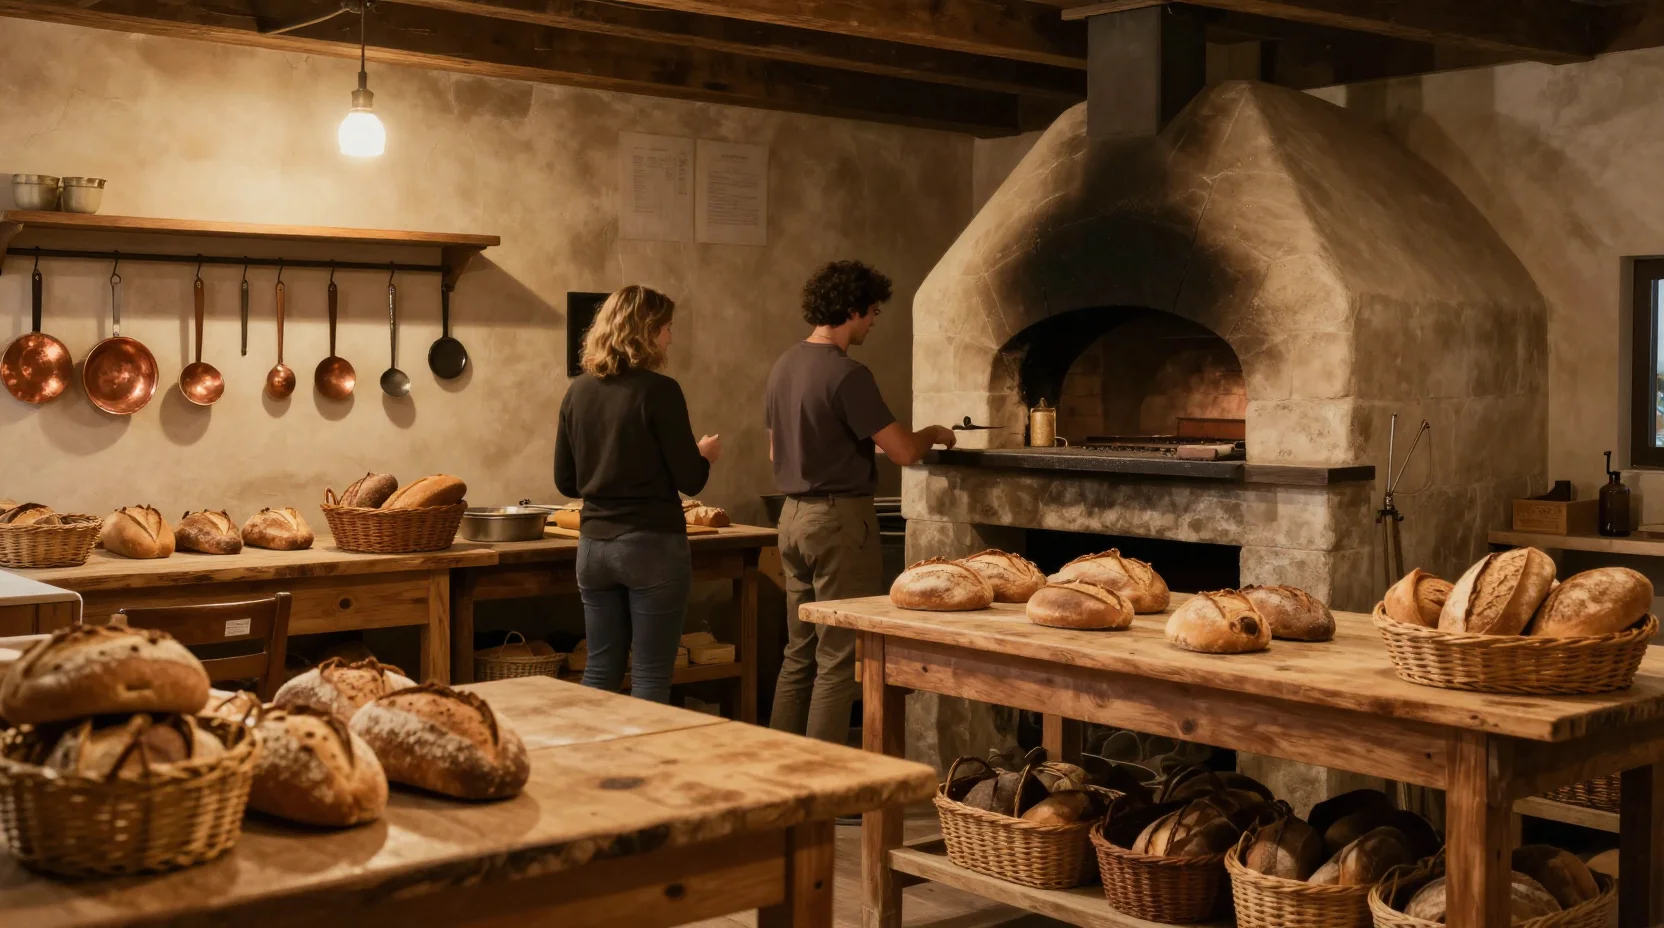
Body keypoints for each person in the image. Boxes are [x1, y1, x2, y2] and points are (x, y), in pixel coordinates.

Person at [764, 260, 956, 745]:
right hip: (837, 523)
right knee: (838, 656)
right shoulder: (849, 374)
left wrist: (849, 445)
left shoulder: (784, 364)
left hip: (791, 519)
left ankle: (779, 769)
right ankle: (825, 781)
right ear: (851, 309)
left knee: (799, 652)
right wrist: (934, 431)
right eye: (871, 311)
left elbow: (778, 450)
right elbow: (905, 451)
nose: (873, 321)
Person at [555, 285, 721, 704]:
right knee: (650, 676)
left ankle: (596, 764)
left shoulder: (578, 391)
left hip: (593, 549)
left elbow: (566, 482)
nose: (670, 337)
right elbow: (691, 479)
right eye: (666, 327)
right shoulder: (660, 391)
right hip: (651, 546)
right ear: (645, 332)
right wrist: (704, 455)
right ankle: (648, 771)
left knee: (599, 670)